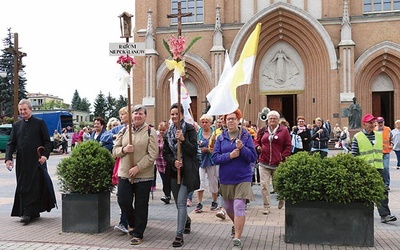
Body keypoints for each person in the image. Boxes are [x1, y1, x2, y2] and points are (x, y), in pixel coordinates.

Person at [211, 109, 258, 250]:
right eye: (228, 119)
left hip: (243, 177)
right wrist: (229, 156)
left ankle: (237, 238)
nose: (230, 121)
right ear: (225, 122)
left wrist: (242, 148)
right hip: (226, 178)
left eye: (233, 118)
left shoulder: (245, 136)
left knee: (238, 206)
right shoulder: (220, 138)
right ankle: (237, 224)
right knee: (229, 208)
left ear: (238, 120)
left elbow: (253, 157)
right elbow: (215, 158)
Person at [112, 104, 158, 245]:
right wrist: (125, 149)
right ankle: (132, 223)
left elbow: (152, 154)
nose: (137, 116)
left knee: (141, 205)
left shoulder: (150, 132)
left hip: (143, 175)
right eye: (135, 113)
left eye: (140, 113)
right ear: (131, 115)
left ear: (145, 116)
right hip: (125, 173)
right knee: (123, 201)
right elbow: (115, 151)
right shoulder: (124, 131)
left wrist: (138, 167)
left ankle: (138, 233)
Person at [5, 99, 55, 225]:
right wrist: (8, 158)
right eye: (20, 110)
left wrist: (45, 156)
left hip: (37, 160)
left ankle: (28, 212)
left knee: (35, 186)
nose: (22, 112)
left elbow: (47, 142)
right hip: (22, 161)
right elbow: (11, 143)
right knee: (22, 185)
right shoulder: (16, 125)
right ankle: (28, 211)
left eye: (24, 110)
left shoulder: (39, 123)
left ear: (30, 109)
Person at [163, 103, 200, 248]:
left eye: (176, 114)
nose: (174, 116)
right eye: (172, 114)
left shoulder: (190, 129)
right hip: (174, 172)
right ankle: (187, 220)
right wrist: (174, 162)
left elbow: (193, 150)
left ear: (182, 115)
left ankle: (179, 236)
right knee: (179, 204)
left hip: (187, 171)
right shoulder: (168, 132)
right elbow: (166, 153)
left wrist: (183, 140)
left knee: (181, 202)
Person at [351, 114, 397, 223]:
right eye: (370, 122)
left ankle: (385, 215)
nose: (372, 124)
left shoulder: (379, 135)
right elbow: (353, 154)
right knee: (363, 192)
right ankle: (362, 214)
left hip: (379, 168)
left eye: (373, 122)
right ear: (364, 124)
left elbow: (383, 150)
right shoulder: (358, 137)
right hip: (364, 169)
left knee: (382, 191)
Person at [254, 110, 292, 215]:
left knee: (278, 185)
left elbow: (288, 146)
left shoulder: (284, 131)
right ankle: (266, 206)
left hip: (278, 163)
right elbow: (256, 141)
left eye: (274, 118)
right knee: (264, 185)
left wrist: (282, 156)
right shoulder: (262, 130)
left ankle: (281, 198)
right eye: (270, 118)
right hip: (263, 162)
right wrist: (258, 147)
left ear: (278, 120)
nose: (272, 120)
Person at [111, 106, 130, 234]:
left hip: (133, 167)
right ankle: (125, 221)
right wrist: (122, 150)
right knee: (122, 197)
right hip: (122, 164)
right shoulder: (122, 130)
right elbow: (115, 150)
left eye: (123, 114)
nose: (121, 117)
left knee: (127, 198)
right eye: (120, 114)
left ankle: (127, 221)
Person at [194, 114, 218, 212]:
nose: (204, 124)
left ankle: (214, 200)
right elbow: (195, 145)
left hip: (211, 161)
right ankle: (199, 203)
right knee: (200, 181)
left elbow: (217, 147)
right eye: (202, 122)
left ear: (210, 123)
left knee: (213, 182)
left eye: (206, 122)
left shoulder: (214, 133)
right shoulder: (198, 133)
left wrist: (208, 149)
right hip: (200, 161)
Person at [156, 121, 172, 205]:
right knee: (164, 180)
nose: (162, 132)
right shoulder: (156, 137)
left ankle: (167, 195)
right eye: (160, 130)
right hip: (159, 162)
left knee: (167, 180)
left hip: (167, 161)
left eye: (163, 130)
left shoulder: (169, 136)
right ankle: (167, 194)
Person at [375, 117, 392, 190]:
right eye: (379, 122)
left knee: (386, 168)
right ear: (376, 123)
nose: (380, 124)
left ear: (384, 122)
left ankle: (386, 184)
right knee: (379, 169)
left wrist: (391, 145)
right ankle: (380, 183)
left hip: (386, 152)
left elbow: (392, 138)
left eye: (381, 122)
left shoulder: (388, 129)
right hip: (377, 153)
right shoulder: (374, 130)